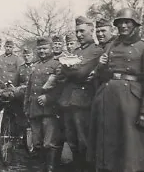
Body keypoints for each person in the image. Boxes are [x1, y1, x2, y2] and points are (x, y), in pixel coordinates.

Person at [87, 9, 144, 172]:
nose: (123, 25)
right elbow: (103, 76)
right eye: (120, 22)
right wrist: (101, 65)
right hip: (108, 100)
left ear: (135, 24)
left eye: (127, 22)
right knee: (108, 147)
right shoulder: (112, 46)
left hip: (130, 102)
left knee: (130, 148)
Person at [58, 16, 103, 172]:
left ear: (91, 30)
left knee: (83, 141)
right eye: (77, 31)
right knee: (72, 141)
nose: (78, 35)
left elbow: (81, 73)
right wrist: (69, 69)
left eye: (82, 31)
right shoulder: (76, 51)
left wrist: (68, 68)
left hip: (83, 101)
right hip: (68, 101)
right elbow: (62, 72)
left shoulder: (96, 50)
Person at [24, 37, 64, 172]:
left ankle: (50, 168)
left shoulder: (57, 64)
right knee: (37, 143)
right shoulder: (35, 65)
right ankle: (40, 167)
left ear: (51, 48)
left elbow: (62, 86)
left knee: (49, 143)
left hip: (49, 111)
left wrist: (49, 97)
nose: (42, 51)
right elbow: (29, 89)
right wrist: (26, 107)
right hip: (34, 110)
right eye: (39, 48)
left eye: (45, 48)